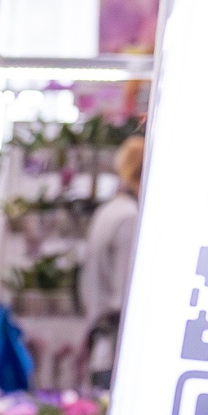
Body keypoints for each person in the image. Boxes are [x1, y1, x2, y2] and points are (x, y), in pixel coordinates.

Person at [82, 133, 144, 375]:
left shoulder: (107, 212)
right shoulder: (129, 217)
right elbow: (124, 292)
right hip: (117, 347)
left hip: (102, 340)